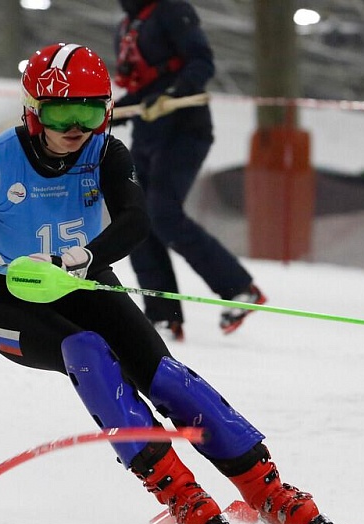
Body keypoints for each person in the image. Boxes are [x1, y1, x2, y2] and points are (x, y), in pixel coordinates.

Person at [0, 43, 348, 524]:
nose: (75, 127)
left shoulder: (106, 152)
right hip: (8, 302)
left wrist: (78, 262)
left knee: (168, 376)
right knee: (87, 352)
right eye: (61, 112)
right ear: (32, 113)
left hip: (81, 280)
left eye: (89, 111)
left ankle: (268, 492)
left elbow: (136, 221)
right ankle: (179, 494)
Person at [112, 0, 264, 339]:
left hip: (184, 129)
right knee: (135, 218)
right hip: (148, 135)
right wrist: (108, 113)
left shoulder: (170, 10)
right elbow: (140, 91)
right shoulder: (127, 25)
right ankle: (163, 315)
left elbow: (201, 62)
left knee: (163, 213)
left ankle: (240, 288)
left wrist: (172, 93)